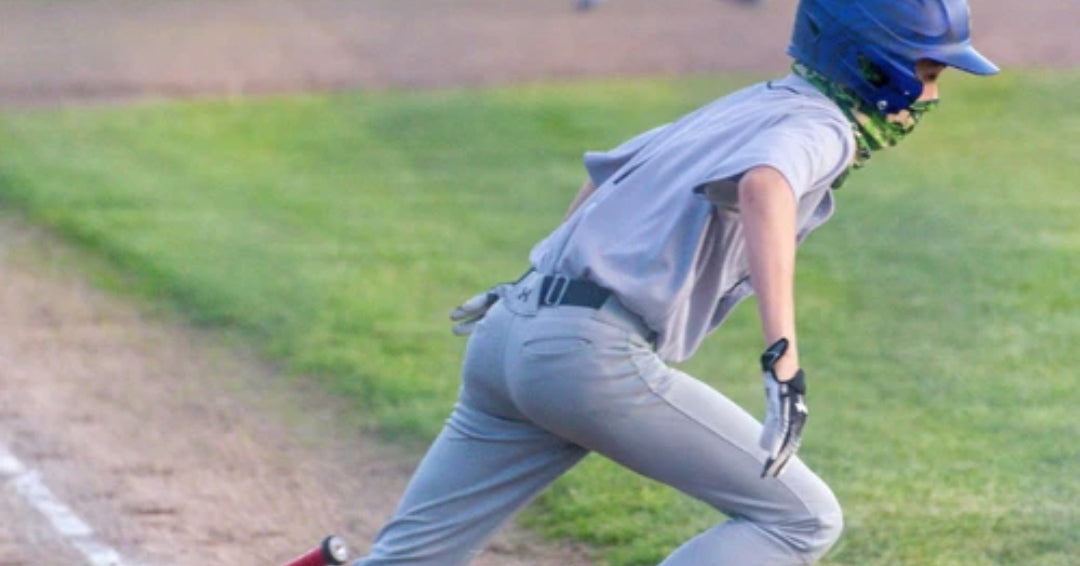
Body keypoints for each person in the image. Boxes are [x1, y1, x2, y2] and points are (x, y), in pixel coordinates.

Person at [353, 0, 998, 564]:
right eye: (929, 71)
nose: (932, 95)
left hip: (508, 330)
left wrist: (547, 292)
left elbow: (610, 171)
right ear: (870, 64)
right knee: (802, 519)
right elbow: (765, 186)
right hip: (585, 360)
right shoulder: (823, 125)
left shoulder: (753, 101)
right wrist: (784, 361)